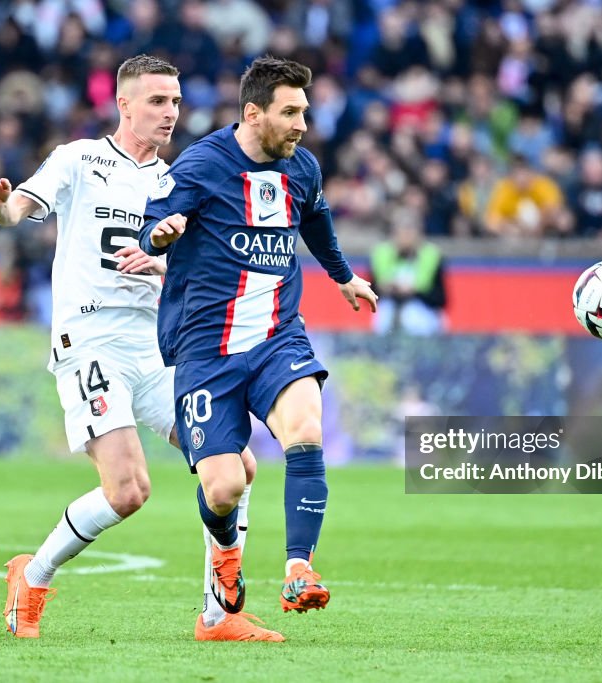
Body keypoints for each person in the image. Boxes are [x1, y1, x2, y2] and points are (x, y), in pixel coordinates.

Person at [0, 55, 278, 643]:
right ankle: (31, 576)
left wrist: (163, 263)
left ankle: (219, 616)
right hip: (90, 340)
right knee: (129, 490)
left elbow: (199, 270)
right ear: (125, 104)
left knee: (236, 466)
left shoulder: (175, 182)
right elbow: (15, 212)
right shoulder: (79, 159)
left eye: (177, 102)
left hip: (155, 347)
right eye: (159, 101)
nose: (171, 113)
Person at [128, 56, 377, 621]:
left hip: (277, 337)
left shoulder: (303, 168)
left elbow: (315, 220)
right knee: (224, 487)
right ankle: (225, 551)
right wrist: (161, 234)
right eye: (289, 113)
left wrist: (343, 278)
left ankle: (299, 569)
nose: (301, 125)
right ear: (253, 113)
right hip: (206, 348)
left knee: (306, 429)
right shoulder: (201, 165)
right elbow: (153, 219)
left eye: (304, 112)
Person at [370, 212, 447, 335]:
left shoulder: (431, 255)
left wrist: (414, 291)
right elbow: (371, 293)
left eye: (410, 231)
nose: (406, 236)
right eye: (402, 231)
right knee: (384, 315)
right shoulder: (381, 253)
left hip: (423, 307)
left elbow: (441, 298)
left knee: (411, 316)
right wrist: (386, 288)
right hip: (391, 306)